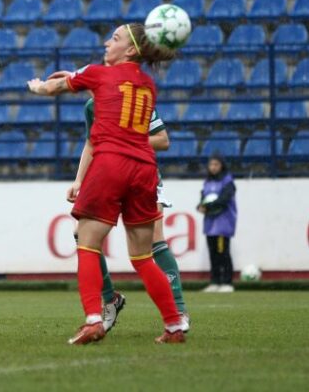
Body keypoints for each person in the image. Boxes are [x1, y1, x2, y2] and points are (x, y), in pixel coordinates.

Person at [28, 23, 185, 345]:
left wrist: (38, 85)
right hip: (144, 169)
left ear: (129, 50)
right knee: (142, 256)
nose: (106, 42)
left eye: (114, 38)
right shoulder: (148, 84)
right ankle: (173, 325)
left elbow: (53, 89)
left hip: (111, 163)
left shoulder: (98, 73)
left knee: (87, 242)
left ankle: (93, 320)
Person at [68, 96, 190, 333]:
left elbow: (162, 140)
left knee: (154, 239)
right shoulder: (93, 105)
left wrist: (123, 141)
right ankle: (110, 299)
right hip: (109, 177)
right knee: (80, 234)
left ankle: (179, 309)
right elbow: (91, 143)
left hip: (140, 174)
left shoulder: (138, 97)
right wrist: (78, 180)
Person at [197, 154, 237, 293]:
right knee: (212, 253)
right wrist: (200, 206)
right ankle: (214, 281)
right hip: (210, 223)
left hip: (223, 223)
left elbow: (224, 199)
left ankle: (227, 282)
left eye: (216, 164)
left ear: (221, 166)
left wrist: (208, 206)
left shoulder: (228, 181)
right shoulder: (207, 182)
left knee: (223, 252)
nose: (213, 167)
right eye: (211, 165)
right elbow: (203, 198)